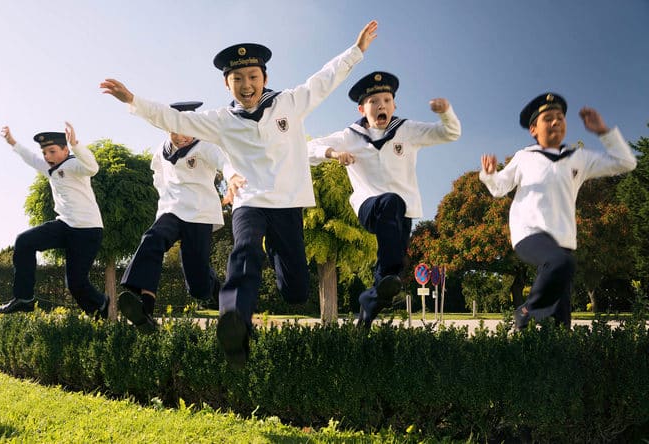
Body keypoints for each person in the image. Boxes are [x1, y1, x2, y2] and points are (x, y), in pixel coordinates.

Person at [101, 20, 379, 367]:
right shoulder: (220, 120)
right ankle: (234, 320)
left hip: (288, 203)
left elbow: (325, 79)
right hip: (249, 201)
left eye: (252, 77)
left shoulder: (290, 103)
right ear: (226, 83)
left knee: (295, 290)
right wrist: (132, 100)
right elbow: (173, 118)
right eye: (237, 79)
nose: (246, 85)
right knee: (244, 250)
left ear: (264, 77)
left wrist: (356, 51)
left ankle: (278, 267)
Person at [307, 71, 461, 328]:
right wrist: (332, 153)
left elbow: (450, 133)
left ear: (394, 106)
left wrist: (445, 113)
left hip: (403, 214)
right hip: (369, 207)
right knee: (391, 202)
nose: (382, 106)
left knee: (390, 280)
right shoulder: (350, 136)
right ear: (362, 108)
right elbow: (308, 149)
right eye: (374, 101)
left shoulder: (407, 130)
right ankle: (384, 281)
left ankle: (368, 306)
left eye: (387, 101)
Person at [480, 93, 636, 329]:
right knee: (561, 263)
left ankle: (538, 342)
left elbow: (626, 163)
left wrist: (604, 132)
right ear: (533, 129)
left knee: (560, 321)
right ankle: (525, 310)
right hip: (529, 233)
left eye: (560, 118)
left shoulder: (578, 157)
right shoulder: (525, 157)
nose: (556, 122)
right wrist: (490, 174)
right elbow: (499, 188)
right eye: (548, 118)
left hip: (563, 240)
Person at [118, 101, 235, 333]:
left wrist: (232, 179)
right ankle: (145, 307)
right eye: (174, 131)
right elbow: (158, 177)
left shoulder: (207, 146)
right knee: (152, 239)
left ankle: (218, 291)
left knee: (197, 284)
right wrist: (164, 200)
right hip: (172, 210)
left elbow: (225, 162)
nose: (181, 137)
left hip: (199, 214)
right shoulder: (161, 151)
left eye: (186, 130)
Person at [0, 122, 110, 318]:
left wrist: (76, 145)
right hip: (65, 225)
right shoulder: (50, 169)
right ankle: (24, 298)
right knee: (24, 241)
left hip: (87, 230)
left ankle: (99, 306)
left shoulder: (74, 164)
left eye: (52, 151)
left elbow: (93, 167)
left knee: (75, 284)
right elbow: (31, 158)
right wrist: (13, 142)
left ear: (65, 150)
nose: (47, 157)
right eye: (45, 153)